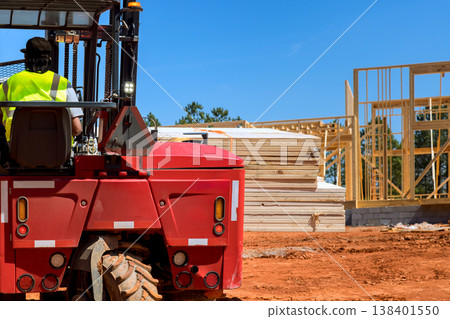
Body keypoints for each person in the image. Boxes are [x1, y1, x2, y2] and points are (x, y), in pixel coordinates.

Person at [0, 37, 83, 142]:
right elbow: (77, 129)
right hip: (57, 154)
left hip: (17, 152)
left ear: (26, 57)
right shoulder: (63, 83)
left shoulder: (9, 83)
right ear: (49, 59)